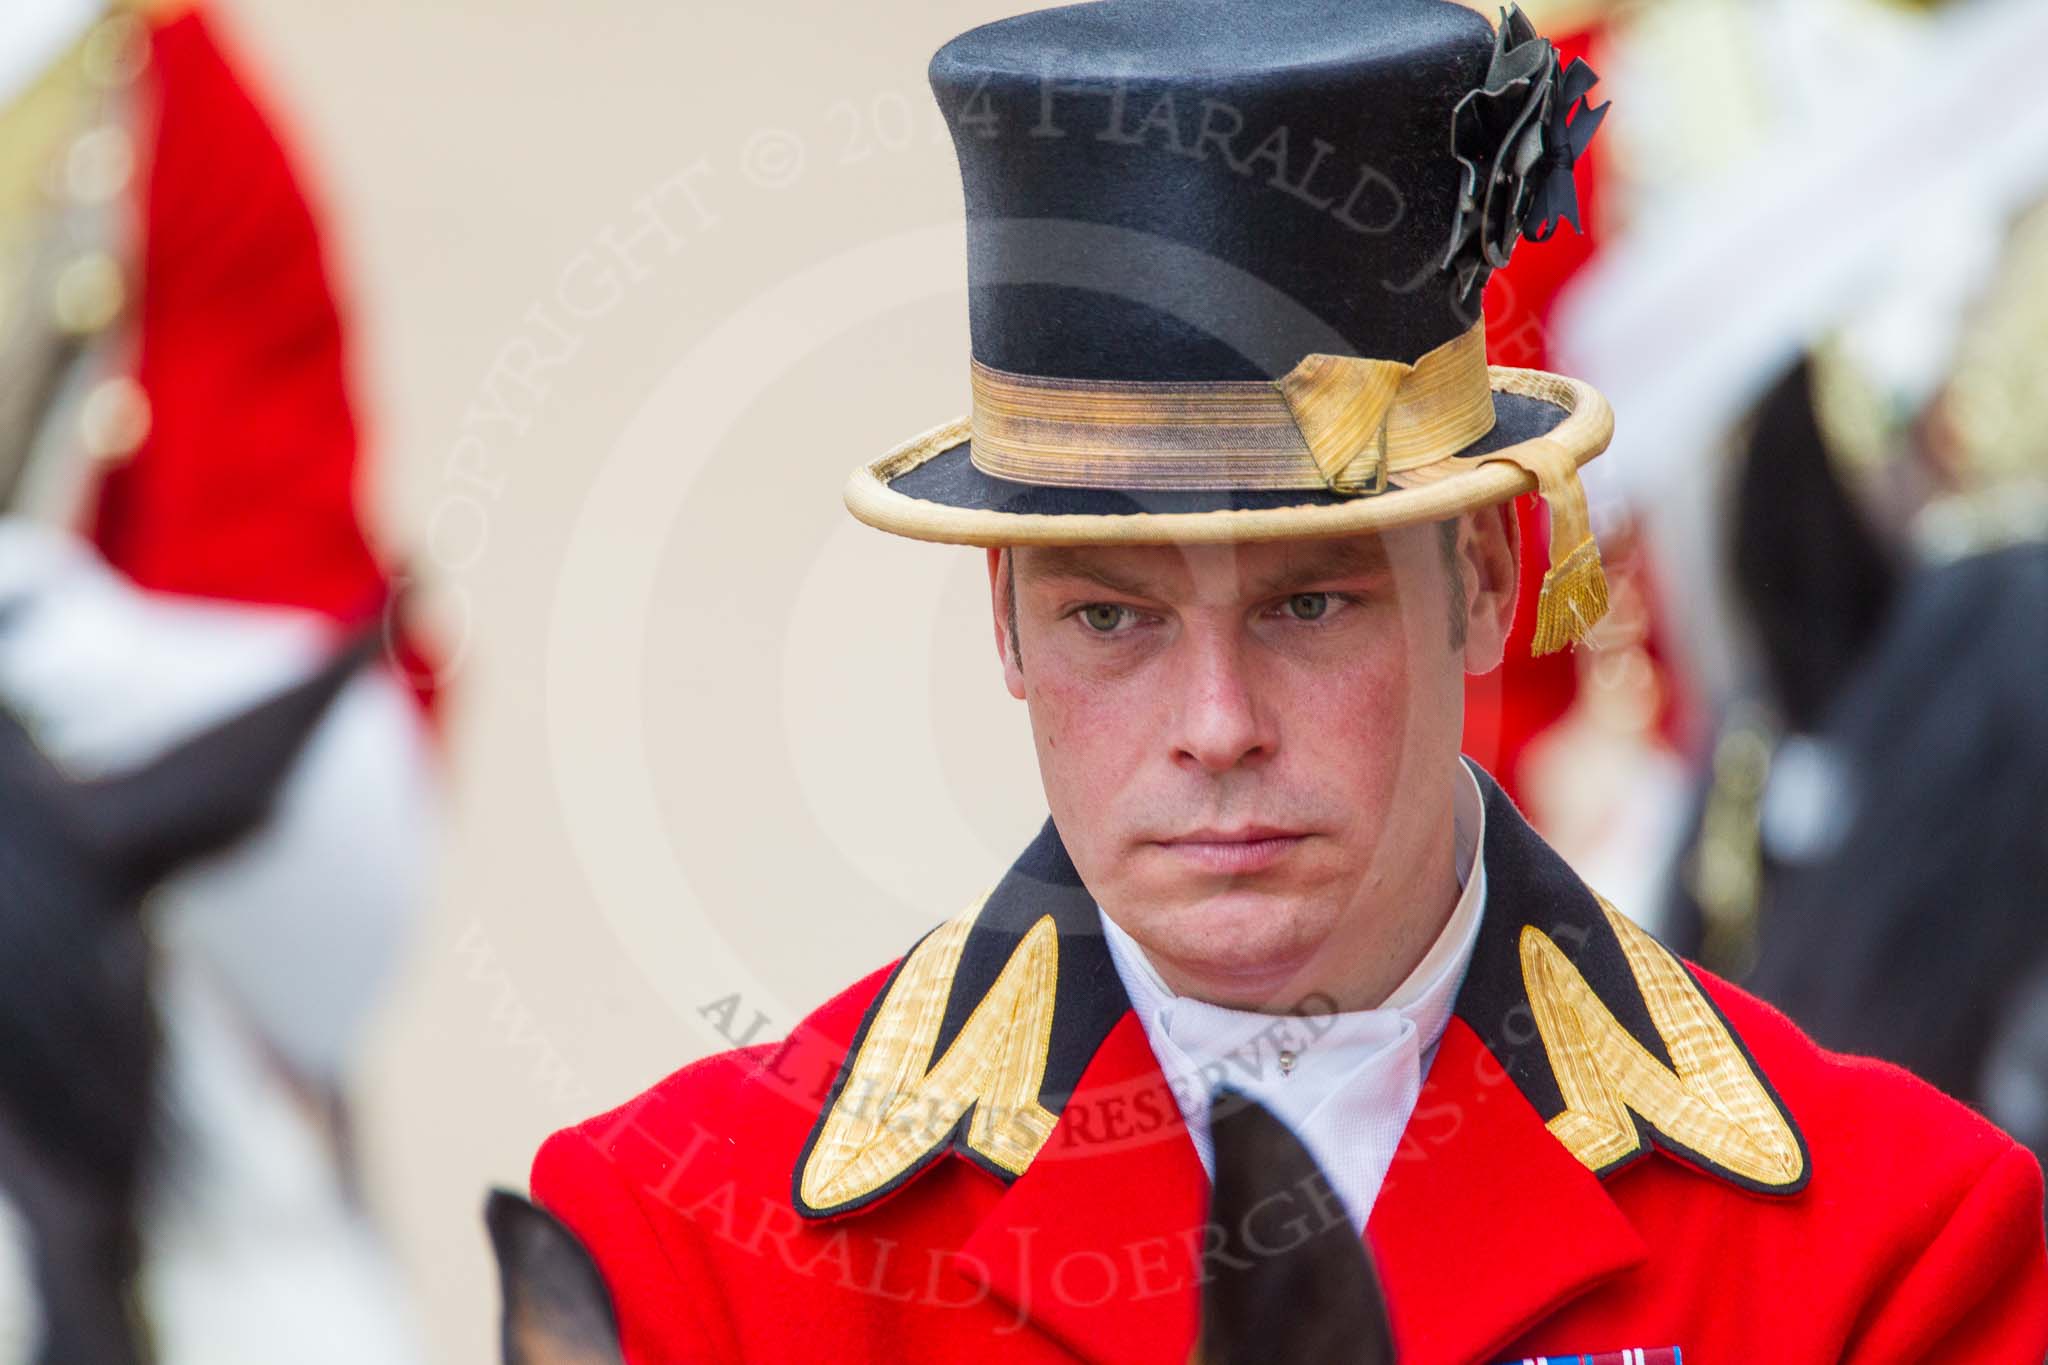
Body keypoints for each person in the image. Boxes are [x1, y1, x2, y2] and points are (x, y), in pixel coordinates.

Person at [529, 2, 2048, 1360]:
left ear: (1485, 579)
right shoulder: (681, 1260)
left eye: (1308, 602)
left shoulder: (1897, 1247)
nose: (1216, 727)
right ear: (1004, 618)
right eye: (1112, 620)